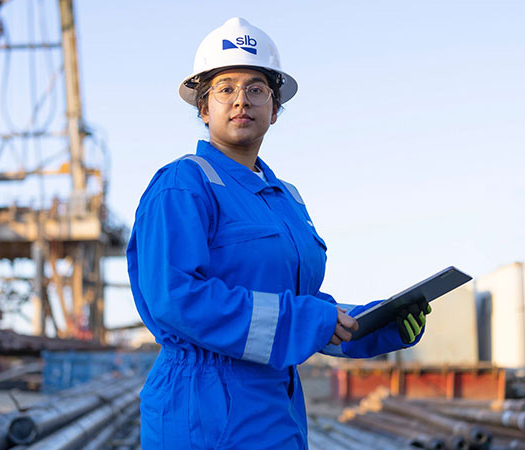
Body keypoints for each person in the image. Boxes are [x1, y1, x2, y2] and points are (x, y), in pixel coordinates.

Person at [127, 17, 432, 450]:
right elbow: (176, 299)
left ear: (274, 108)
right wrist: (308, 320)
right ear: (203, 107)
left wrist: (378, 322)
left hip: (276, 409)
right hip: (202, 411)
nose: (241, 101)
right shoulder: (183, 184)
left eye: (256, 88)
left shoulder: (285, 199)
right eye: (225, 88)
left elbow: (302, 308)